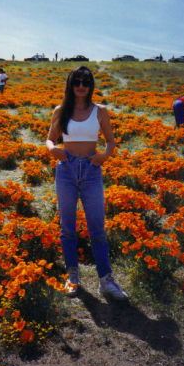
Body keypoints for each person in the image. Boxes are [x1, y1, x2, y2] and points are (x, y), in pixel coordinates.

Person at [46, 66, 127, 300]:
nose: (81, 85)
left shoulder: (100, 111)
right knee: (67, 226)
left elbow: (110, 141)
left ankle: (105, 280)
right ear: (70, 85)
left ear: (91, 86)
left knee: (97, 227)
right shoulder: (61, 110)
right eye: (77, 81)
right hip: (66, 169)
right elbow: (50, 139)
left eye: (86, 82)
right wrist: (54, 150)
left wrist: (104, 156)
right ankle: (72, 276)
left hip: (91, 170)